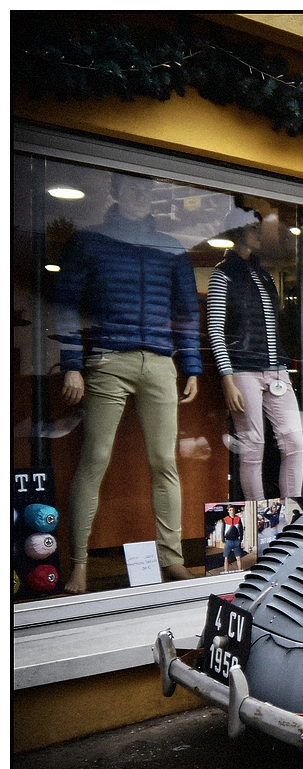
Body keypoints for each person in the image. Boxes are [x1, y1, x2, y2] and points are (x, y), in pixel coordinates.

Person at [53, 173, 203, 594]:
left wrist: (191, 363)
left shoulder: (171, 248)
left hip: (159, 362)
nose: (140, 194)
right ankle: (79, 565)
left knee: (164, 462)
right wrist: (72, 362)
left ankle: (172, 560)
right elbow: (65, 303)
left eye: (146, 188)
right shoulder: (90, 241)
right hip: (107, 359)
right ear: (116, 191)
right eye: (132, 186)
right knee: (95, 458)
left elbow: (186, 311)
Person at [207, 212, 303, 501]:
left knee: (294, 441)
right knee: (253, 446)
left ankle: (290, 511)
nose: (260, 233)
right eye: (253, 228)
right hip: (242, 369)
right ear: (237, 231)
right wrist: (227, 378)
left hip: (274, 368)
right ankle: (257, 516)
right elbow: (215, 328)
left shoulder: (263, 275)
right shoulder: (222, 273)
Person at [217, 506, 245, 574]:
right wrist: (223, 540)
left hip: (236, 541)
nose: (232, 511)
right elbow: (222, 530)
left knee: (238, 557)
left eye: (233, 510)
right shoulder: (225, 519)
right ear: (228, 511)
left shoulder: (238, 519)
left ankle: (240, 570)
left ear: (234, 511)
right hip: (228, 541)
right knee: (226, 557)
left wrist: (241, 539)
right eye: (230, 510)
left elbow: (241, 529)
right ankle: (226, 571)